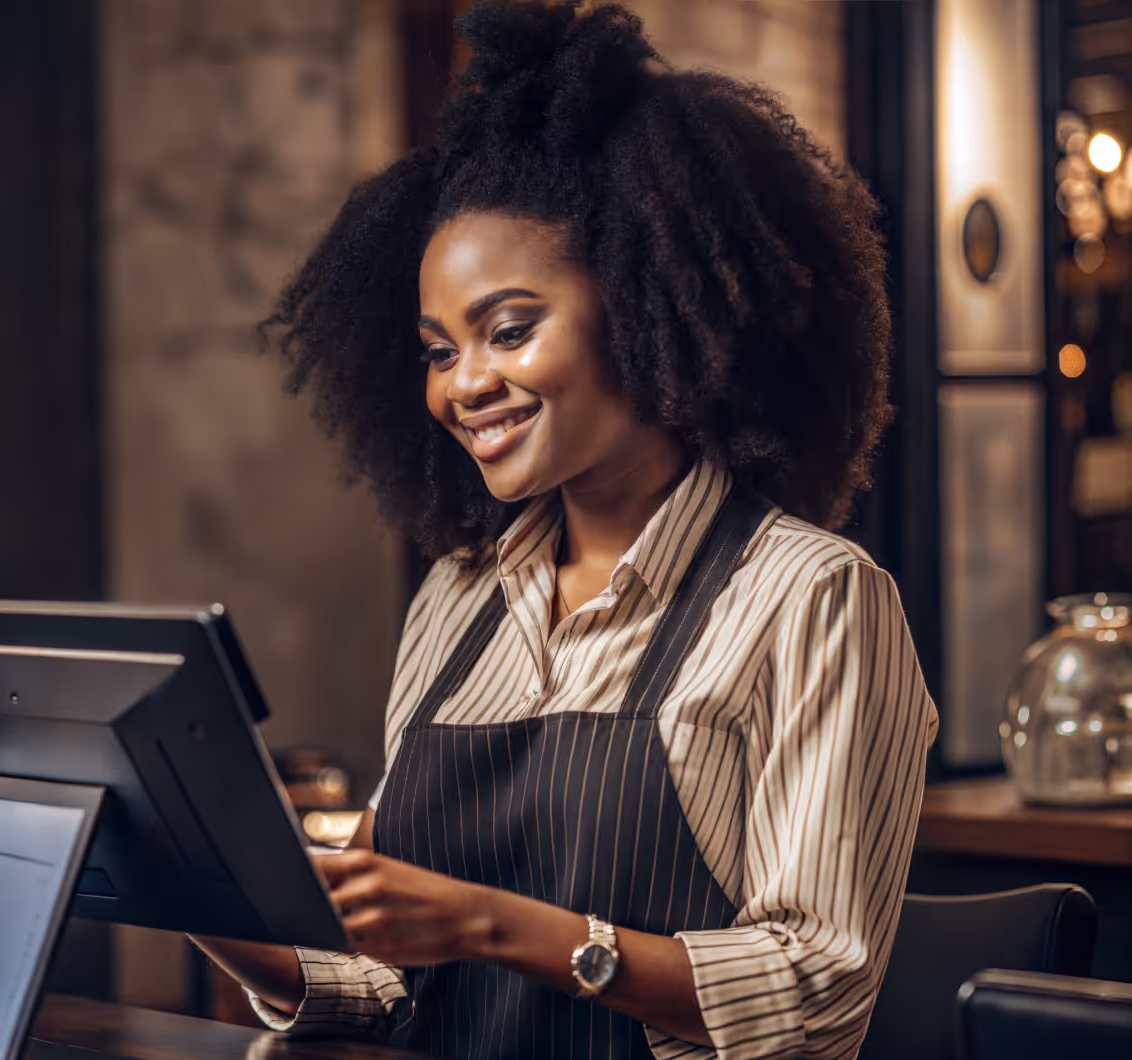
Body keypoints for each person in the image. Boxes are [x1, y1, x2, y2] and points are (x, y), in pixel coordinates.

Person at [190, 4, 936, 1060]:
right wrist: (195, 890)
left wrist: (493, 925)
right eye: (438, 350)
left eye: (508, 330)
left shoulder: (812, 597)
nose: (463, 386)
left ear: (649, 305)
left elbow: (813, 998)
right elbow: (400, 992)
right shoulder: (458, 599)